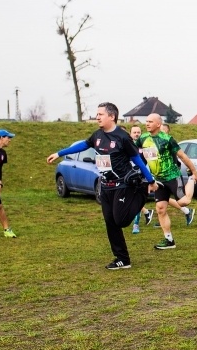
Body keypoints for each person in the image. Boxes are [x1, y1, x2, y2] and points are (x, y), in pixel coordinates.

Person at [46, 102, 156, 269]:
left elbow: (137, 160)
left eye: (100, 114)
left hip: (122, 185)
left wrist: (150, 180)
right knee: (110, 223)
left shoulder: (123, 137)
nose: (97, 117)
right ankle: (122, 259)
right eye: (97, 114)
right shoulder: (97, 135)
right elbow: (83, 145)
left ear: (112, 116)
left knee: (120, 220)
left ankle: (141, 193)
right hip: (105, 186)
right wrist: (59, 153)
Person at [136, 113, 197, 250]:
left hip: (172, 176)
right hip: (158, 180)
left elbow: (182, 156)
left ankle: (191, 179)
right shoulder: (143, 138)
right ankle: (169, 240)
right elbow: (136, 154)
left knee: (184, 202)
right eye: (146, 121)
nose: (147, 123)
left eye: (150, 121)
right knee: (160, 209)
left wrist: (194, 172)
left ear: (158, 124)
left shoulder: (167, 139)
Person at [129, 125, 154, 234]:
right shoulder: (127, 145)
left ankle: (136, 224)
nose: (136, 134)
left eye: (138, 132)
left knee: (136, 200)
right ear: (130, 134)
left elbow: (152, 160)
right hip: (128, 177)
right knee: (130, 200)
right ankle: (147, 212)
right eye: (134, 132)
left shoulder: (145, 146)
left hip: (141, 178)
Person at [0, 129, 18, 238]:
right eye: (8, 137)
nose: (9, 140)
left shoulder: (3, 153)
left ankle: (7, 230)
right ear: (1, 137)